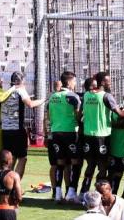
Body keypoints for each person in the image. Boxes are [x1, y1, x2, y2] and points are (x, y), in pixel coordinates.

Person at [80, 71, 124, 197]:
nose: (110, 82)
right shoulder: (106, 96)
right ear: (102, 82)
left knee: (90, 166)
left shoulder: (87, 95)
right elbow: (121, 114)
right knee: (102, 168)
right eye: (108, 80)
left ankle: (82, 194)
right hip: (102, 136)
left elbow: (80, 115)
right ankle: (98, 195)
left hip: (87, 136)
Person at [0, 71, 45, 179]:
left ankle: (6, 186)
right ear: (20, 81)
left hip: (5, 132)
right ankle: (14, 185)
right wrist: (43, 100)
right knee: (23, 158)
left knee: (9, 160)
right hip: (17, 131)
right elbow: (30, 104)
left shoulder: (5, 93)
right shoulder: (20, 90)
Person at [45, 71, 82, 203]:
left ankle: (58, 194)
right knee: (75, 162)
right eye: (75, 81)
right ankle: (71, 192)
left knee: (60, 163)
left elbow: (48, 117)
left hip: (55, 133)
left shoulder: (52, 97)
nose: (76, 83)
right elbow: (78, 115)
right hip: (70, 132)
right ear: (69, 82)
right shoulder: (73, 96)